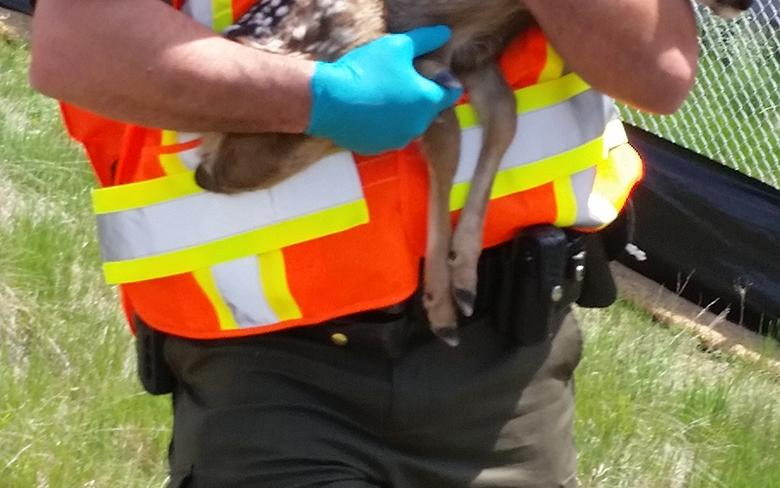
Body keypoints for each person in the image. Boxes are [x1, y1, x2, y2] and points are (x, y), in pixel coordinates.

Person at [29, 0, 699, 486]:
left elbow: (658, 72)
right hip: (275, 374)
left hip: (506, 369)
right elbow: (77, 48)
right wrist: (315, 99)